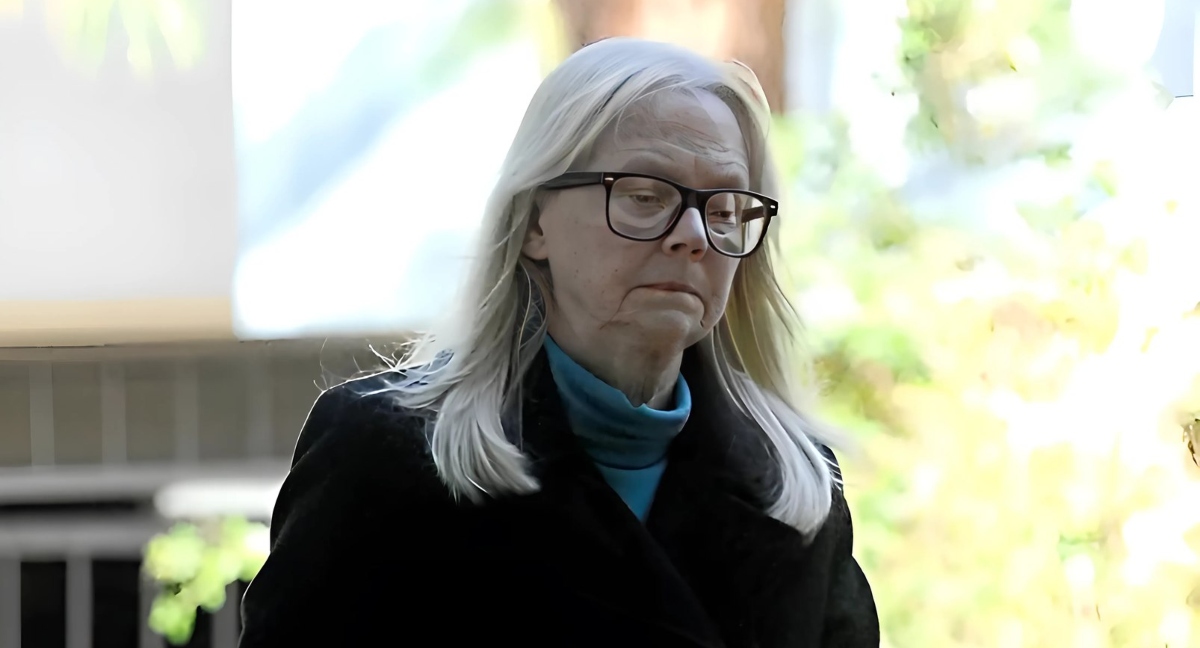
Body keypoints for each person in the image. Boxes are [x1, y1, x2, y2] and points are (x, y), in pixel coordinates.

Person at [238, 37, 879, 648]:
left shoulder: (796, 488)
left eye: (723, 209)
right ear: (535, 223)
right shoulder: (383, 457)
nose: (692, 235)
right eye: (645, 196)